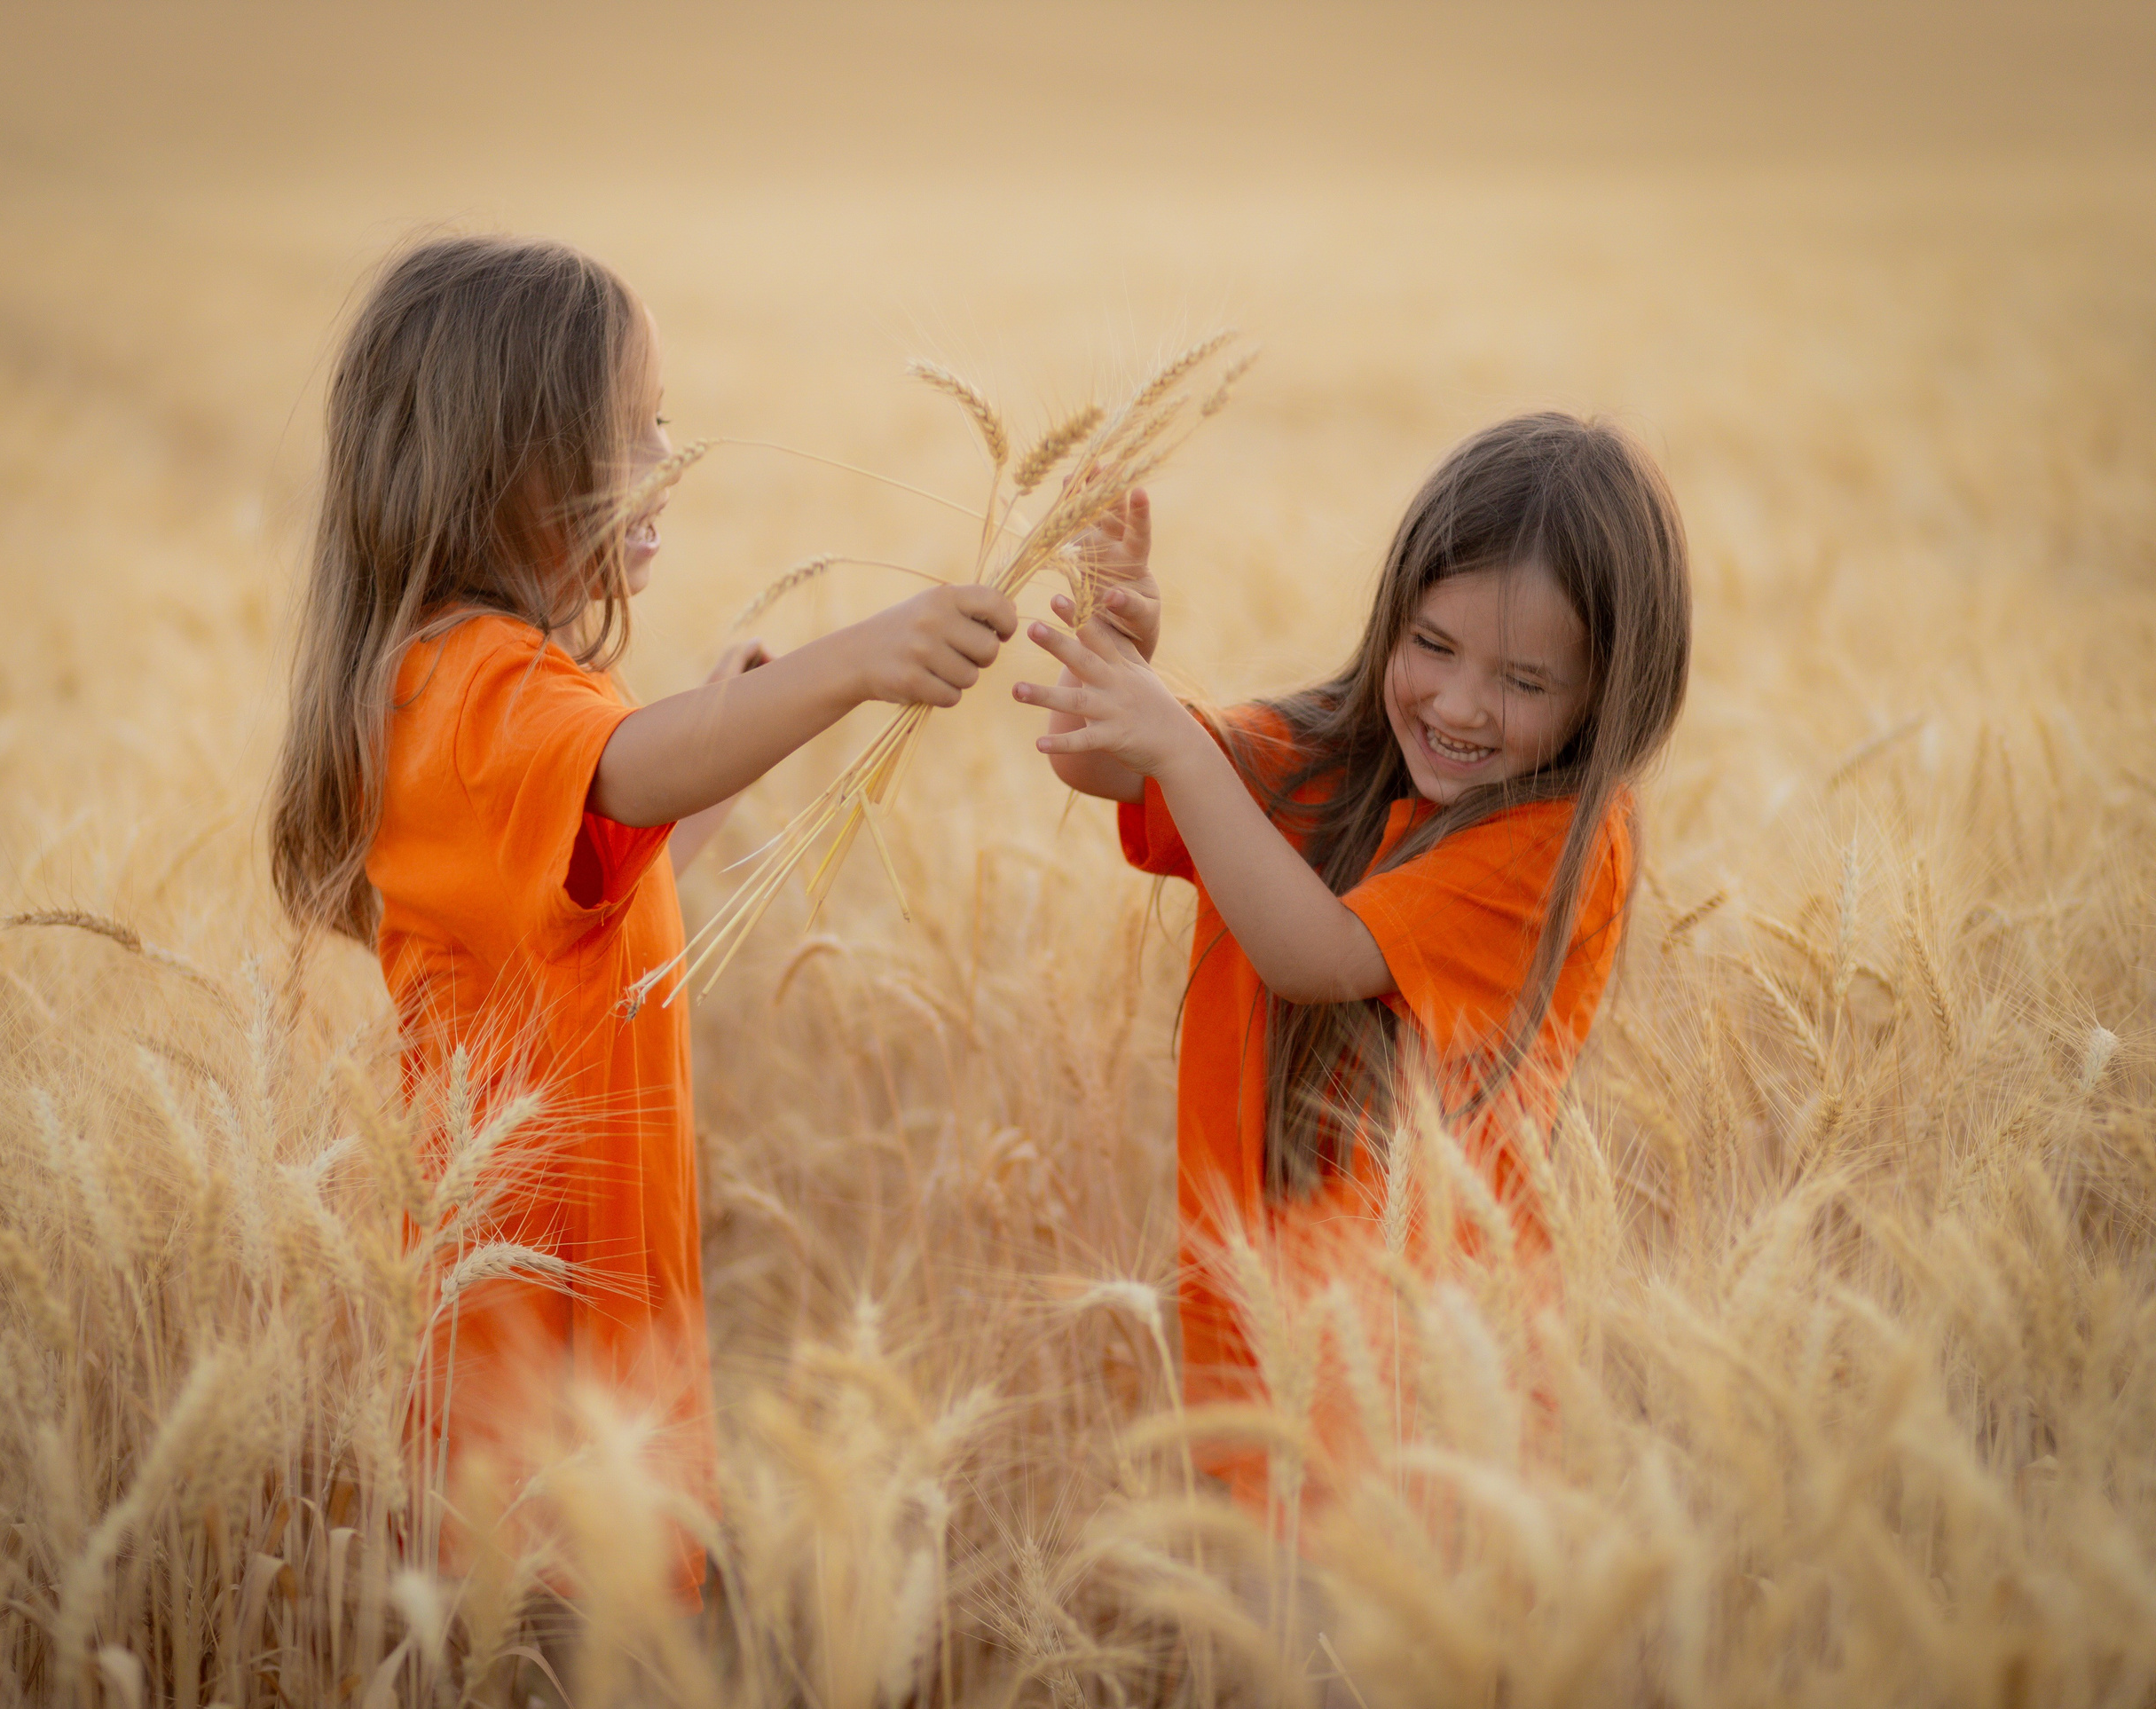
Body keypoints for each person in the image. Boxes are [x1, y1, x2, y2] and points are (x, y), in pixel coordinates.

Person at [267, 234, 1016, 1594]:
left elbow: (604, 872)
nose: (670, 458)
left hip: (595, 1289)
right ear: (505, 472)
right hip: (530, 1323)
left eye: (663, 419)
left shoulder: (499, 695)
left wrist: (735, 729)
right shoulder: (468, 689)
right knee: (562, 1620)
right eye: (628, 433)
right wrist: (853, 662)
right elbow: (620, 770)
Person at [1014, 413, 1691, 1508]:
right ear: (1392, 620)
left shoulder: (1559, 847)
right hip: (1258, 1338)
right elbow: (1106, 767)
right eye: (1431, 646)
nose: (1459, 705)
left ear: (1607, 690)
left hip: (1426, 1387)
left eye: (1523, 680)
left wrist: (1175, 742)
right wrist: (1116, 657)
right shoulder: (1336, 753)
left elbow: (1315, 956)